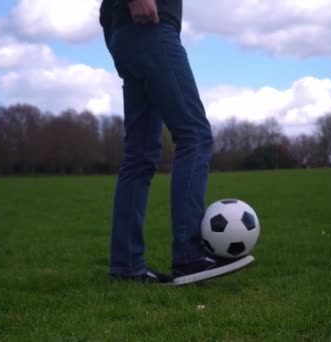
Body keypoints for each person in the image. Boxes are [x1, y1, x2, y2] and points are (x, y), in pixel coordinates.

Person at [100, 0, 254, 285]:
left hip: (124, 33)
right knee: (194, 136)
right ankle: (189, 256)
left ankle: (126, 266)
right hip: (150, 30)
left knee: (140, 156)